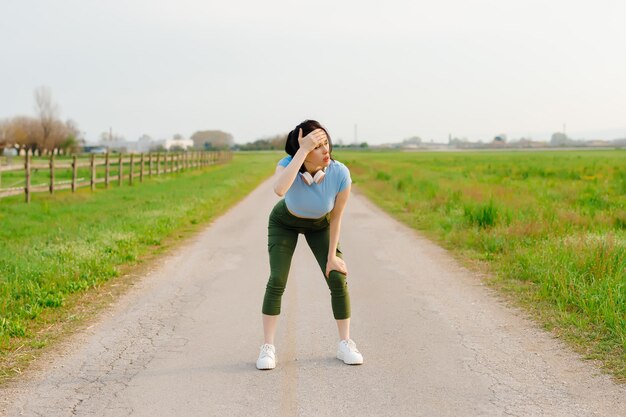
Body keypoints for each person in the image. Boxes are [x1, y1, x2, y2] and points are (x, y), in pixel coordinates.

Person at [256, 119, 364, 370]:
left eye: (326, 143)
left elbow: (336, 216)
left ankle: (345, 343)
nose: (326, 150)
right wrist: (302, 151)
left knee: (337, 276)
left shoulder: (339, 172)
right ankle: (268, 347)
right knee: (277, 280)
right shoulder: (287, 166)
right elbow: (279, 189)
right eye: (318, 146)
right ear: (303, 149)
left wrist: (332, 257)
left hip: (321, 225)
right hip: (285, 222)